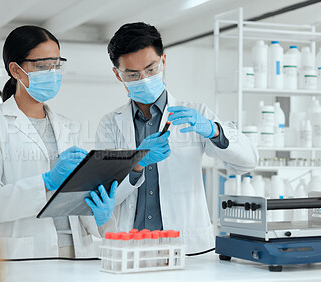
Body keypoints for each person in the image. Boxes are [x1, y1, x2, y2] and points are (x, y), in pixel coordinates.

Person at [95, 22, 258, 254]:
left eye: (150, 69)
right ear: (117, 74)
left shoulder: (196, 112)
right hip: (132, 247)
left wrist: (214, 130)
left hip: (188, 246)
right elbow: (107, 195)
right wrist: (137, 164)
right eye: (132, 74)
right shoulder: (110, 124)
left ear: (163, 61)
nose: (143, 79)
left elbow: (247, 162)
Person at [0, 25, 117, 259]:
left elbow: (75, 201)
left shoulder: (68, 127)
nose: (52, 72)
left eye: (57, 64)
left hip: (78, 251)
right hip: (25, 253)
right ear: (16, 70)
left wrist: (101, 215)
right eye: (42, 66)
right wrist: (46, 182)